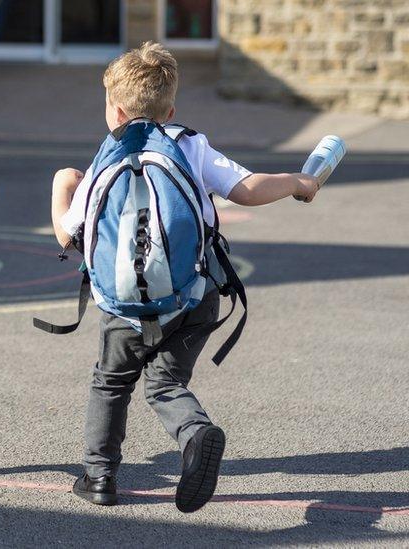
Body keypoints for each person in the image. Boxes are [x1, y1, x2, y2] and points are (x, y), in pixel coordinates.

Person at [49, 42, 320, 511]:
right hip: (193, 297)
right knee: (165, 384)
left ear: (114, 110)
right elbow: (247, 189)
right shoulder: (189, 144)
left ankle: (98, 477)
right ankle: (195, 434)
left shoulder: (105, 156)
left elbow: (67, 235)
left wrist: (62, 186)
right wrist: (298, 181)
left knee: (111, 382)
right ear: (170, 109)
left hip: (124, 307)